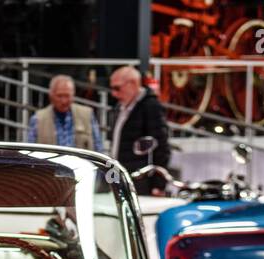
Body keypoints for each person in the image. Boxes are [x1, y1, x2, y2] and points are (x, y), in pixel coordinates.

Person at [108, 65, 171, 194]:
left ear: (133, 84)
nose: (114, 93)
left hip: (141, 181)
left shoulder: (150, 106)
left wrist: (158, 185)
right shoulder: (120, 107)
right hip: (120, 177)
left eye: (117, 88)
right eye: (112, 88)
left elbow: (161, 147)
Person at [32, 75, 103, 152]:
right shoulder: (38, 118)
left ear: (73, 95)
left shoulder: (87, 114)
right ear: (51, 96)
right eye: (59, 96)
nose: (64, 101)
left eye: (67, 96)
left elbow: (98, 147)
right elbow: (30, 151)